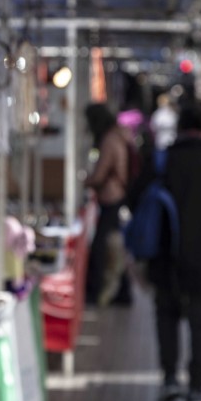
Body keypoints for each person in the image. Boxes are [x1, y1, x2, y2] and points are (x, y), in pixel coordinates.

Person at [132, 101, 201, 401]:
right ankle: (197, 390)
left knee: (166, 316)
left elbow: (136, 197)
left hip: (166, 253)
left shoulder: (163, 160)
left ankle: (169, 379)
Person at [83, 103, 132, 306]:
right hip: (116, 195)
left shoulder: (109, 139)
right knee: (113, 246)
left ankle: (98, 290)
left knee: (101, 246)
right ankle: (121, 291)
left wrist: (86, 181)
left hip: (112, 197)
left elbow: (101, 173)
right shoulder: (118, 136)